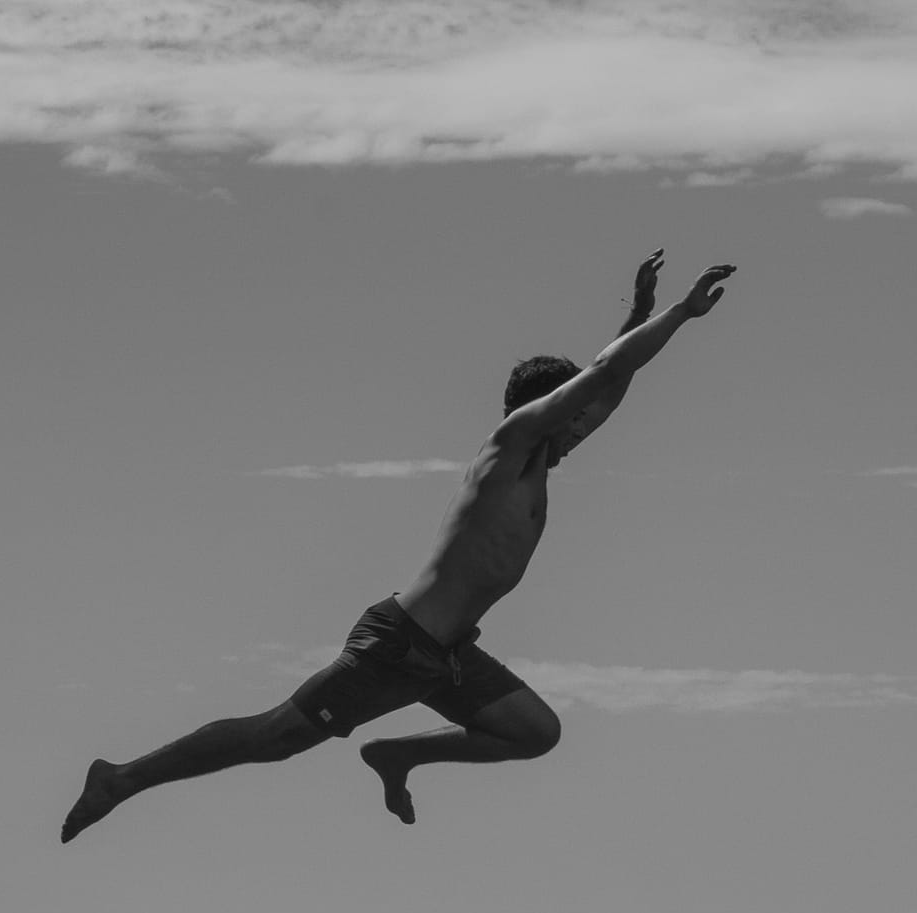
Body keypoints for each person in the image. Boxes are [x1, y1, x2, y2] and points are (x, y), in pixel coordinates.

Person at [61, 252, 736, 841]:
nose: (586, 424)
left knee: (534, 732)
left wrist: (642, 312)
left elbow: (606, 383)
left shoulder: (542, 458)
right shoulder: (510, 446)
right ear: (547, 407)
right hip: (399, 643)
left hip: (444, 652)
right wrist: (676, 311)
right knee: (275, 739)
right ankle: (121, 778)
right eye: (573, 412)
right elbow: (600, 377)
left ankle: (397, 755)